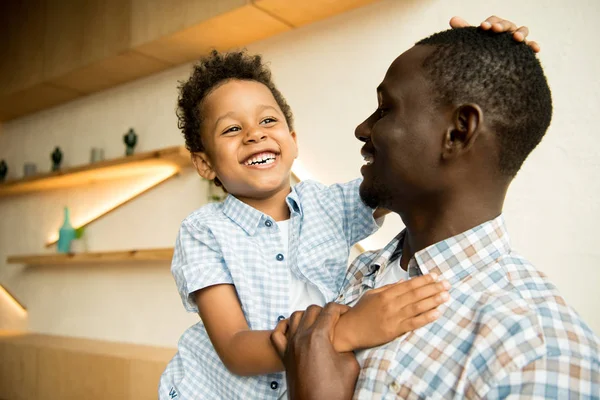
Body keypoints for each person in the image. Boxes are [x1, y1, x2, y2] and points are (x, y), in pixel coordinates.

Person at [272, 22, 600, 399]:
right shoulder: (367, 269)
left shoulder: (537, 356)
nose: (362, 129)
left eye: (385, 109)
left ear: (459, 132)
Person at [158, 47, 452, 399]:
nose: (255, 134)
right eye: (232, 128)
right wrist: (346, 331)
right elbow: (235, 349)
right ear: (205, 164)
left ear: (293, 142)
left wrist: (485, 57)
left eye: (268, 121)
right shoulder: (203, 232)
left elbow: (402, 180)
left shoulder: (329, 205)